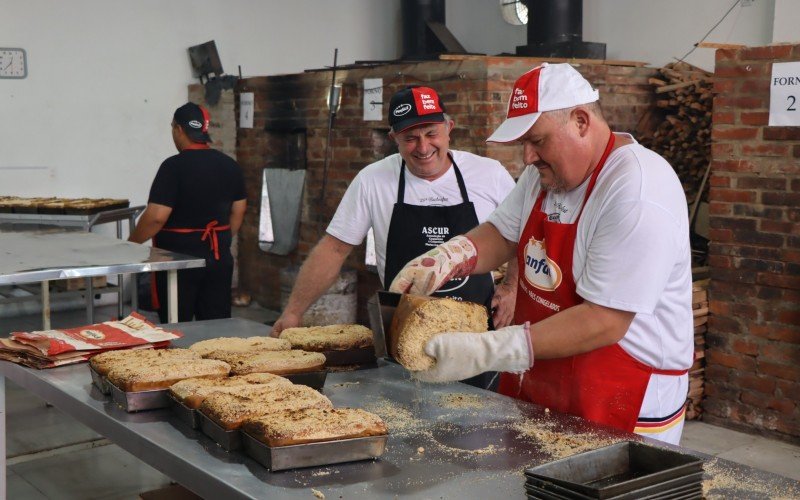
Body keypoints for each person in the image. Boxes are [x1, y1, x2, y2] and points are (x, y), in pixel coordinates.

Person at [389, 63, 693, 445]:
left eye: (538, 141)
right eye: (523, 145)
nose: (527, 158)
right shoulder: (545, 174)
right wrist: (451, 255)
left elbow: (605, 320)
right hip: (545, 374)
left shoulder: (637, 189)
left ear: (581, 121)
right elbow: (502, 233)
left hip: (623, 394)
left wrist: (487, 351)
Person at [272, 85, 518, 389]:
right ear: (393, 139)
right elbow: (334, 250)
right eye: (410, 138)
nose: (423, 147)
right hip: (406, 334)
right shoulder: (373, 181)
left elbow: (522, 236)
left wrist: (512, 287)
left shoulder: (489, 174)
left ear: (448, 128)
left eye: (431, 133)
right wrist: (294, 312)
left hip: (475, 334)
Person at [129, 102, 246, 323]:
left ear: (179, 130)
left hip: (177, 263)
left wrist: (131, 244)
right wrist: (221, 241)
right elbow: (239, 211)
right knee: (216, 328)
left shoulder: (173, 167)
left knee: (176, 327)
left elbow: (156, 217)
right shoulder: (230, 165)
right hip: (218, 259)